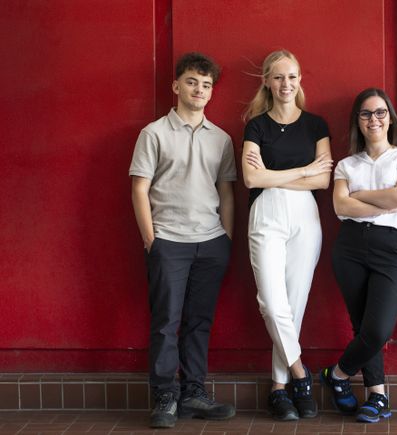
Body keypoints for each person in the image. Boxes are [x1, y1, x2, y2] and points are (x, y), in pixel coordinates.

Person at [129, 52, 237, 428]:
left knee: (199, 322)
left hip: (211, 243)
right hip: (168, 241)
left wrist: (226, 238)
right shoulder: (154, 133)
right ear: (176, 86)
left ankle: (193, 393)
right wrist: (151, 240)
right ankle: (165, 396)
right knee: (166, 322)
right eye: (192, 82)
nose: (199, 90)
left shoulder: (221, 139)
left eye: (206, 85)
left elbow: (226, 192)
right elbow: (139, 189)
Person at [320, 88, 397, 424]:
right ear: (358, 121)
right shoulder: (346, 165)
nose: (373, 119)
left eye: (380, 112)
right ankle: (377, 396)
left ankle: (337, 374)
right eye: (366, 113)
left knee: (377, 330)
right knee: (362, 326)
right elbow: (340, 206)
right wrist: (383, 198)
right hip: (350, 247)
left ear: (390, 118)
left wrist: (361, 195)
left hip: (393, 247)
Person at [242, 49, 332, 421]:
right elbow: (252, 179)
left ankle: (279, 388)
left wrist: (276, 175)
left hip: (305, 216)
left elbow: (323, 180)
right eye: (278, 77)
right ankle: (300, 374)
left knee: (295, 304)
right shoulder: (256, 126)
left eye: (292, 76)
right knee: (271, 302)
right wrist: (304, 170)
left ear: (299, 80)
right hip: (266, 213)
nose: (286, 84)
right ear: (267, 81)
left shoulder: (315, 125)